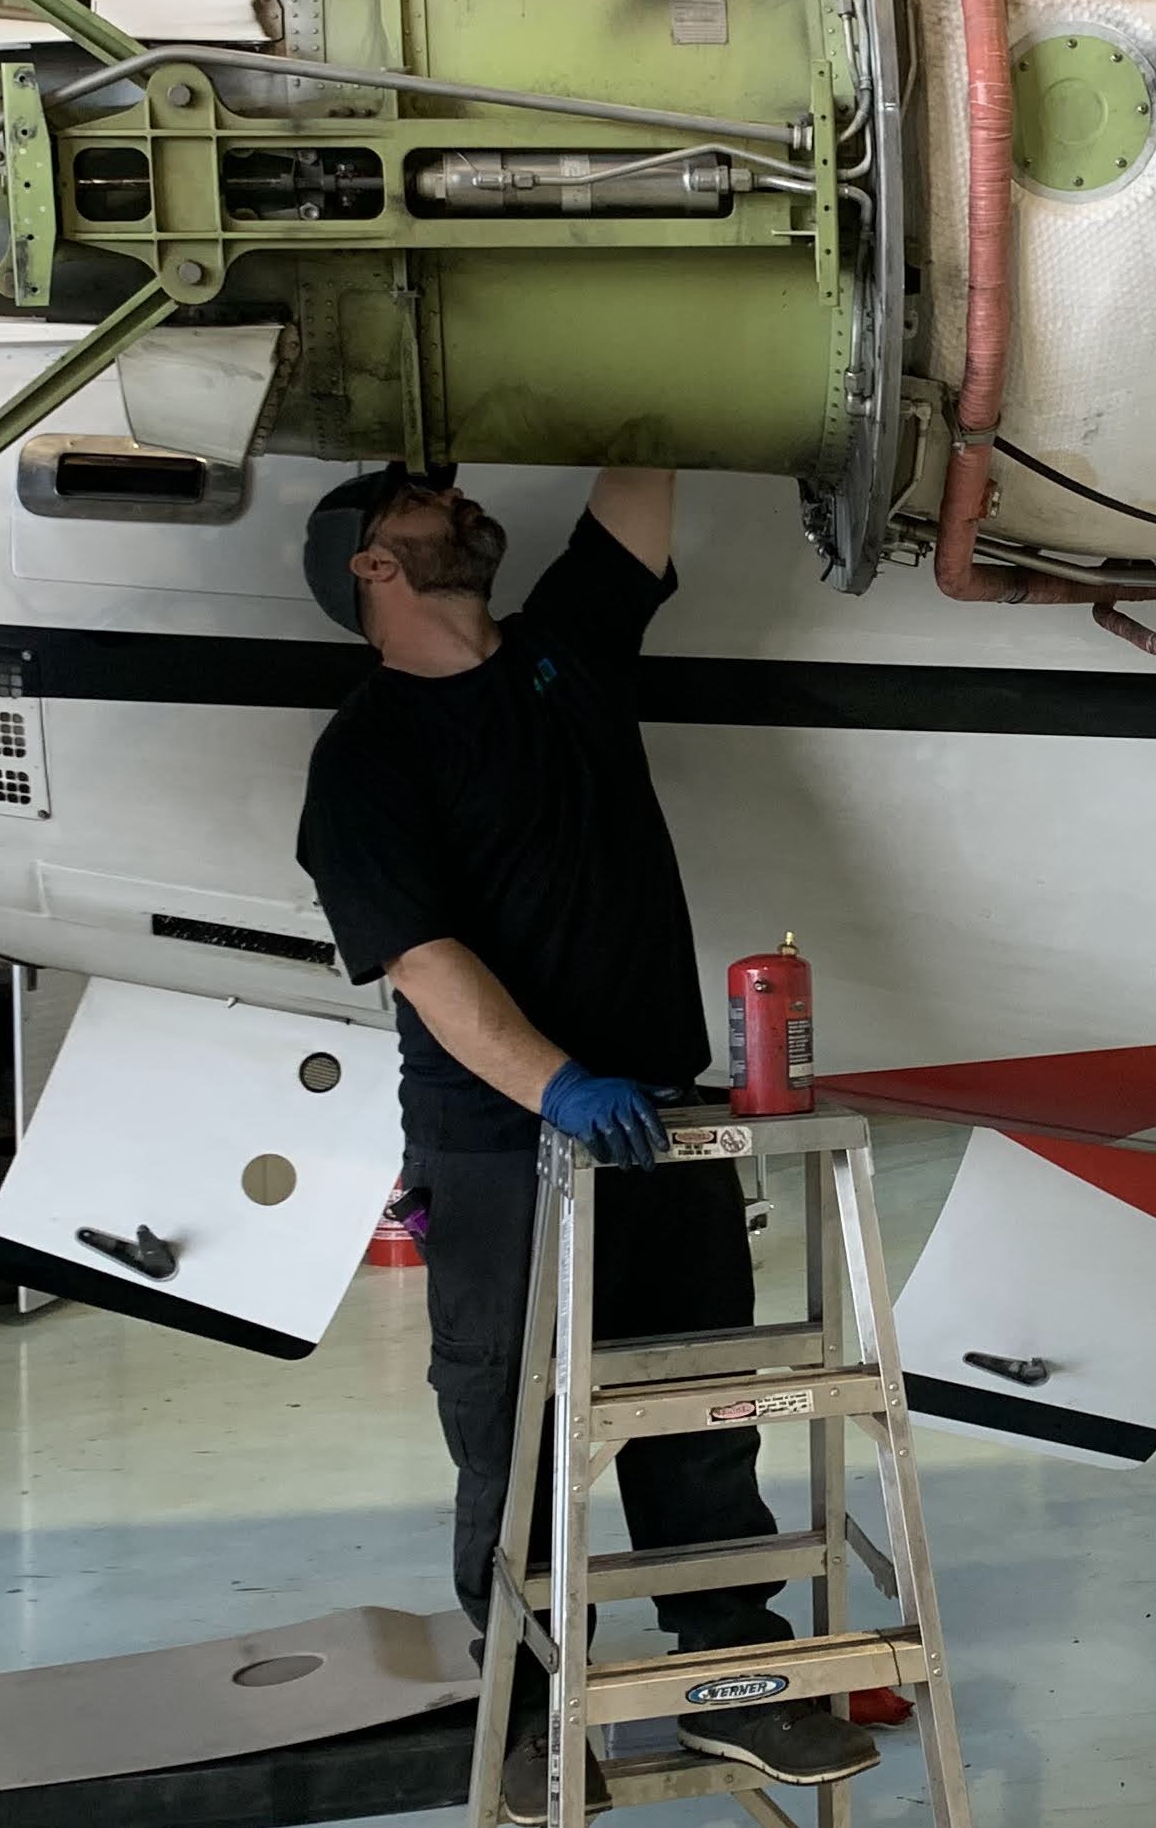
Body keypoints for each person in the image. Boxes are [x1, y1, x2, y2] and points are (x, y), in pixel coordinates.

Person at [294, 466, 875, 1821]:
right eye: (419, 507)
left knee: (700, 1413)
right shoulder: (367, 755)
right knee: (513, 1435)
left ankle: (740, 1678)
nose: (453, 502)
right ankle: (526, 1711)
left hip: (654, 1124)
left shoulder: (565, 653)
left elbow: (642, 473)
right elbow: (426, 963)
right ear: (372, 570)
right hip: (502, 1147)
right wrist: (556, 1087)